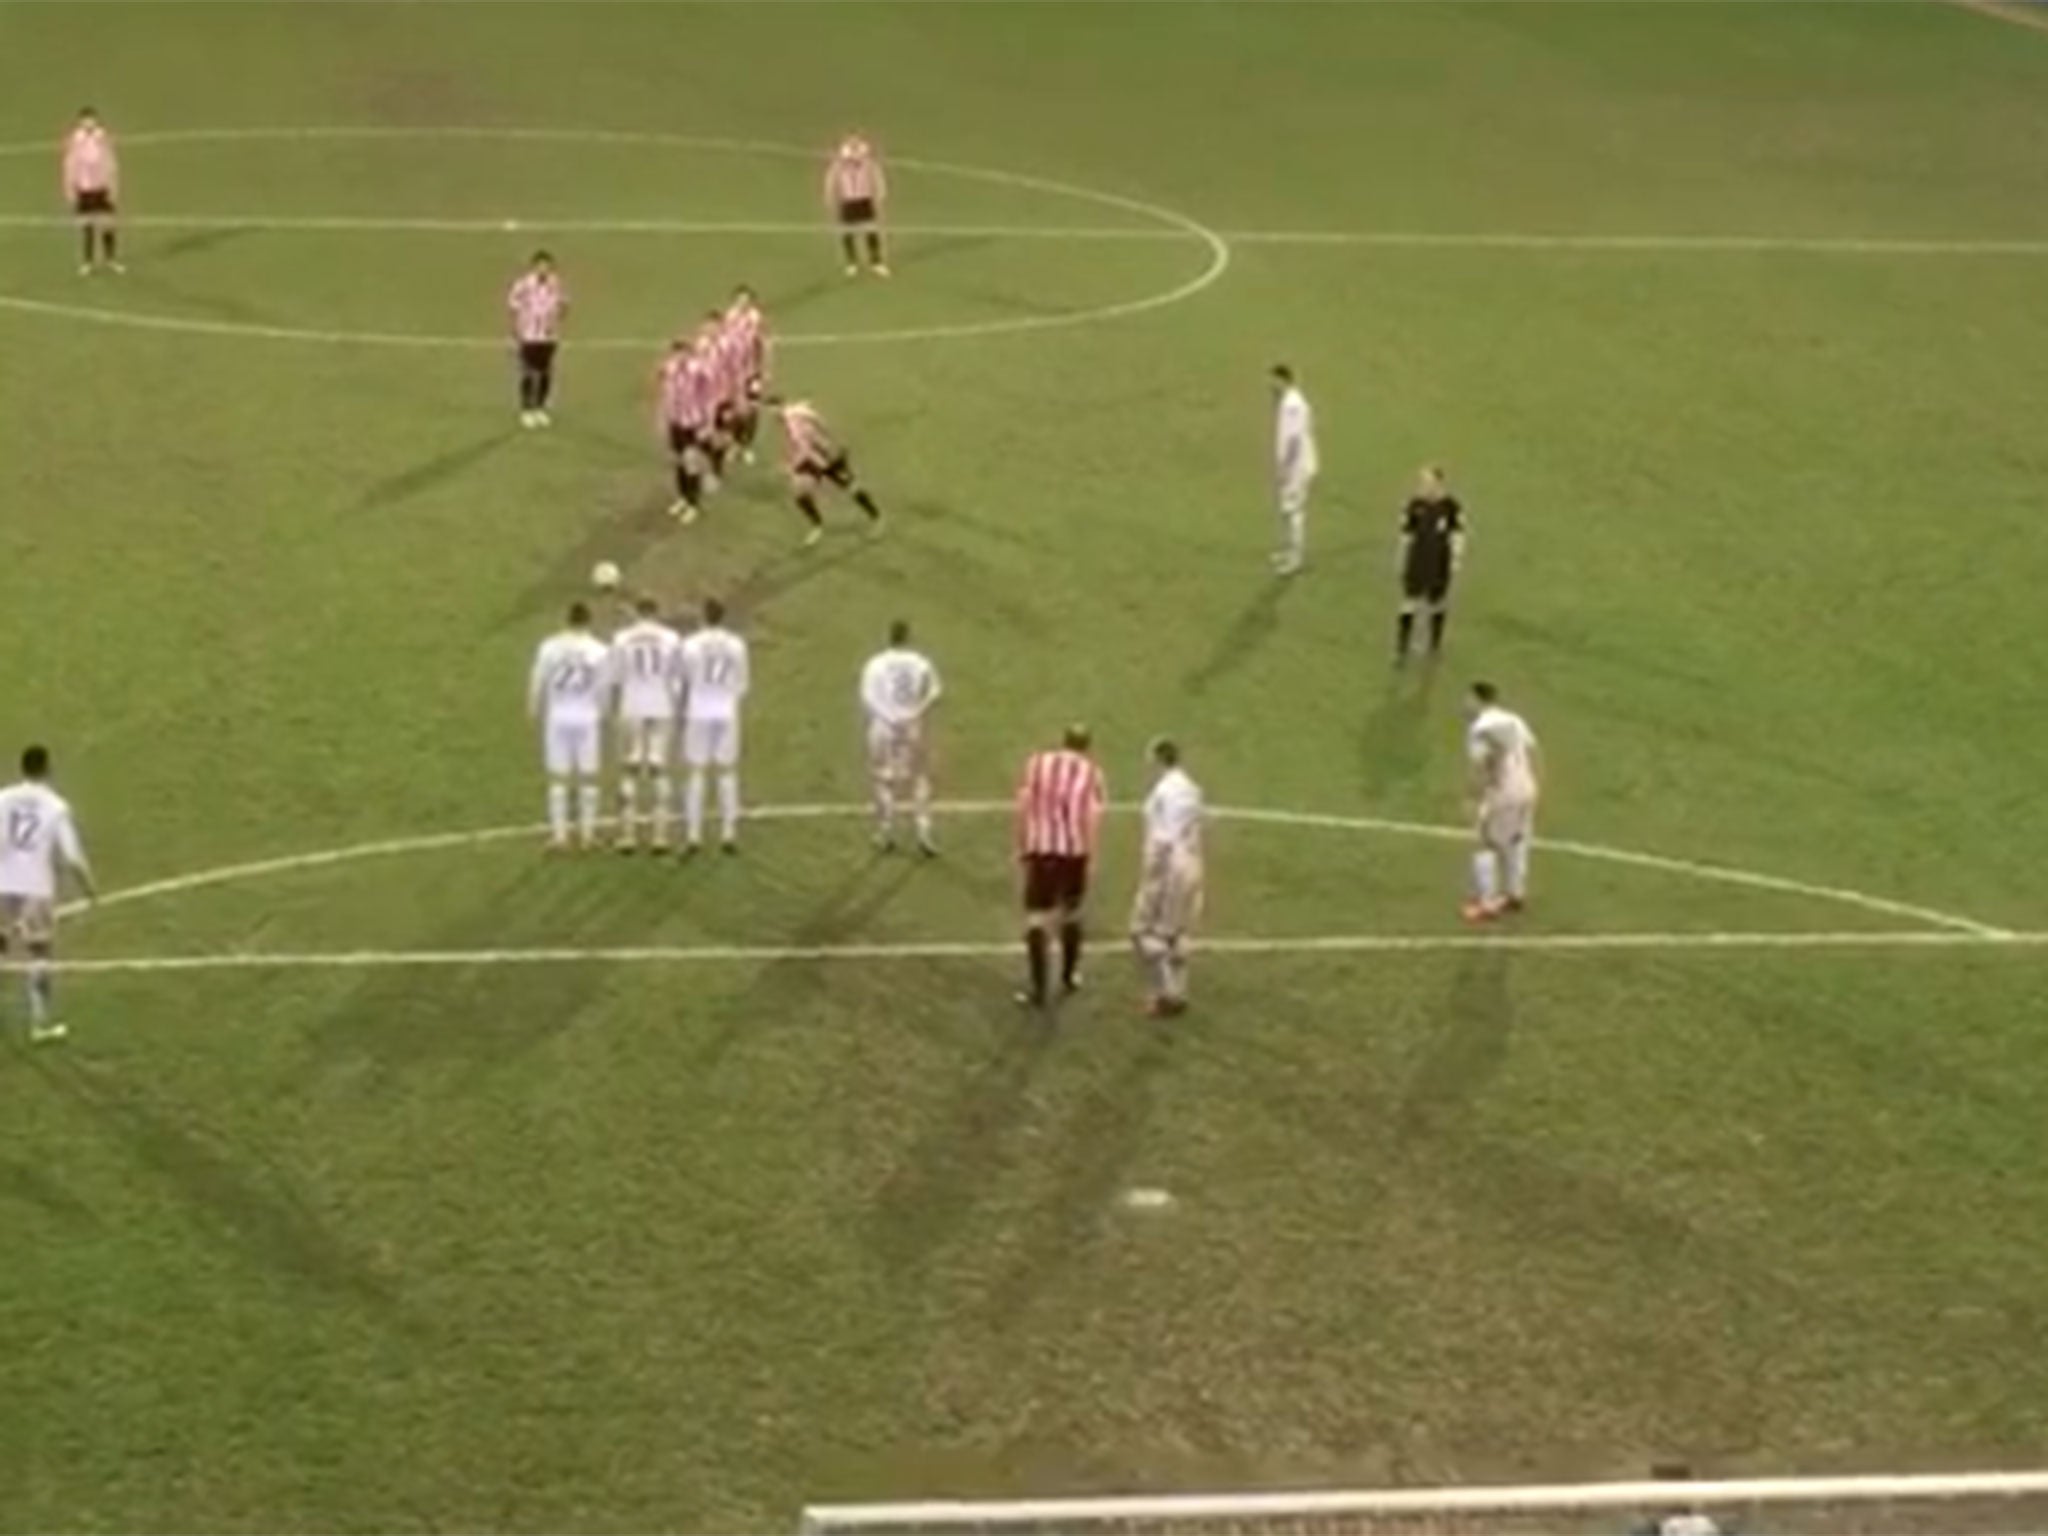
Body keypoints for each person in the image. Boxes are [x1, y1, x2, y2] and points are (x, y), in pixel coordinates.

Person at [0, 746, 96, 1044]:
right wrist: (89, 888)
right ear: (47, 769)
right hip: (35, 886)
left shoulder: (3, 798)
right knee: (39, 952)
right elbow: (71, 856)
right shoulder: (55, 806)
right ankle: (40, 1024)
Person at [1013, 725, 1108, 1010]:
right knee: (1071, 914)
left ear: (1063, 742)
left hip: (1041, 851)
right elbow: (1092, 817)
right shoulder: (1093, 773)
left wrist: (1022, 845)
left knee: (1036, 920)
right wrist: (1091, 856)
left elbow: (1023, 805)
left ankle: (1038, 990)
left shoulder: (1037, 764)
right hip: (1073, 854)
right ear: (1087, 746)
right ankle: (1068, 976)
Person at [1129, 738, 1204, 1018]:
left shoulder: (1164, 792)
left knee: (1143, 931)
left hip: (1169, 867)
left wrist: (1154, 877)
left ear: (1158, 760)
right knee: (1179, 931)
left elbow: (1166, 838)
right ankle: (1179, 991)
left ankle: (1168, 995)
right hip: (1193, 864)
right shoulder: (1191, 788)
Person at [527, 602, 611, 851]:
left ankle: (560, 836)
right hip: (586, 718)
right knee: (588, 777)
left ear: (567, 620)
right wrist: (604, 713)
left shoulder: (550, 647)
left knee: (559, 779)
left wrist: (532, 706)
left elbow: (537, 679)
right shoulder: (599, 651)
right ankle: (588, 835)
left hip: (558, 717)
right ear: (588, 621)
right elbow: (604, 688)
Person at [609, 596, 686, 853]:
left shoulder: (621, 638)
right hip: (661, 703)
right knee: (659, 767)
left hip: (632, 704)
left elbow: (616, 677)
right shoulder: (672, 638)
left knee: (630, 768)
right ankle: (660, 837)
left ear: (637, 612)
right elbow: (677, 677)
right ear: (656, 612)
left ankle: (628, 836)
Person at [858, 619, 942, 856]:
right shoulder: (920, 662)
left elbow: (867, 697)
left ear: (889, 637)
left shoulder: (875, 664)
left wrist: (888, 717)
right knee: (920, 778)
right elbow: (935, 692)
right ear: (908, 637)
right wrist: (915, 713)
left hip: (883, 727)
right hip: (913, 726)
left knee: (883, 779)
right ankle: (924, 831)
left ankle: (886, 833)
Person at [1462, 681, 1540, 921]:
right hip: (1527, 787)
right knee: (1517, 840)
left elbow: (1482, 766)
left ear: (1478, 700)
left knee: (1485, 843)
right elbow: (1533, 751)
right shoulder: (1514, 720)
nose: (1464, 704)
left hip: (1503, 790)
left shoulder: (1479, 729)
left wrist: (1474, 797)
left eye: (1467, 699)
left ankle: (1486, 903)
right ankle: (1515, 893)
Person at [678, 598, 750, 856]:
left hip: (699, 710)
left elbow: (682, 682)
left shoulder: (690, 645)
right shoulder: (736, 645)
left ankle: (693, 836)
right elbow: (742, 683)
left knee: (696, 772)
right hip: (726, 711)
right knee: (727, 772)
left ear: (703, 616)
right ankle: (729, 834)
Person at [772, 397, 883, 547]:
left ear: (777, 408)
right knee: (801, 494)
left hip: (829, 456)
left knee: (851, 488)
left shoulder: (793, 425)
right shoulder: (796, 413)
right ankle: (818, 526)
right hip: (816, 458)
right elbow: (814, 420)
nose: (772, 417)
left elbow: (805, 449)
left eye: (772, 412)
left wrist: (791, 466)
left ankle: (876, 517)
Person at [1396, 465, 1466, 662]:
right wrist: (1401, 559)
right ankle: (1402, 646)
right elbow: (1406, 534)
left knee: (1437, 602)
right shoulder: (1415, 505)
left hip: (1439, 561)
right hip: (1417, 560)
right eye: (1421, 482)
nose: (1423, 486)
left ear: (1438, 483)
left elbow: (1458, 534)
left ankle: (1434, 644)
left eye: (1427, 482)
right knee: (1409, 601)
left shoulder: (1450, 507)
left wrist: (1456, 560)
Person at [655, 335, 718, 524]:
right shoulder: (671, 370)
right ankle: (682, 497)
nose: (678, 357)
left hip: (693, 423)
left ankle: (693, 504)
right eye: (675, 353)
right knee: (678, 462)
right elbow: (666, 395)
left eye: (681, 353)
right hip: (676, 422)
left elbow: (709, 398)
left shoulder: (698, 371)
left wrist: (708, 424)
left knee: (691, 463)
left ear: (688, 353)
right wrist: (663, 418)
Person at [506, 250, 568, 429]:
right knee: (528, 372)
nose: (544, 269)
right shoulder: (523, 285)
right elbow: (513, 306)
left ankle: (541, 407)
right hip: (529, 335)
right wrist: (516, 330)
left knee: (546, 373)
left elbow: (564, 303)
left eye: (547, 266)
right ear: (534, 267)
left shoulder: (555, 284)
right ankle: (527, 409)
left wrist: (556, 319)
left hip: (548, 336)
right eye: (540, 266)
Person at [1271, 364, 1319, 575]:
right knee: (1288, 510)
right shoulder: (1290, 402)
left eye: (1274, 381)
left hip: (1297, 467)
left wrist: (1285, 468)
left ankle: (1295, 558)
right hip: (1296, 464)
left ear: (1284, 380)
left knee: (1295, 511)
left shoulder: (1292, 405)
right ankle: (1288, 551)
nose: (1271, 386)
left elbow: (1293, 440)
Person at [62, 108, 121, 276]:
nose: (89, 123)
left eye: (91, 120)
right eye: (86, 120)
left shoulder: (102, 137)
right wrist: (69, 187)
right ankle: (87, 262)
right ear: (80, 122)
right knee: (87, 226)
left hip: (101, 186)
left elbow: (111, 162)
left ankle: (110, 259)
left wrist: (113, 185)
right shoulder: (75, 140)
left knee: (108, 224)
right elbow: (69, 165)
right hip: (84, 187)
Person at [824, 133, 889, 277]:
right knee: (847, 233)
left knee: (871, 231)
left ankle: (876, 262)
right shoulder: (840, 165)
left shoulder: (868, 163)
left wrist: (880, 194)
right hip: (848, 201)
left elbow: (877, 177)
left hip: (864, 200)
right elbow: (831, 179)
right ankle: (851, 263)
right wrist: (830, 196)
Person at [721, 286, 771, 464]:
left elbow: (764, 344)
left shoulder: (756, 319)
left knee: (752, 410)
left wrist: (765, 370)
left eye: (747, 300)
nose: (743, 303)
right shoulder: (729, 318)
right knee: (734, 410)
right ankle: (734, 444)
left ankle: (746, 445)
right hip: (733, 373)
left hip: (751, 371)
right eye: (740, 300)